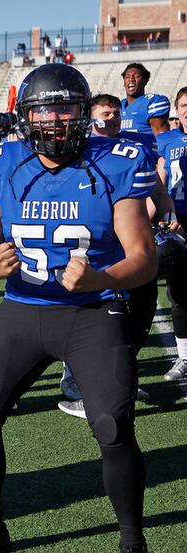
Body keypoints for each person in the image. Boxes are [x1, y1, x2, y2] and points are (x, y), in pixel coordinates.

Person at [0, 64, 156, 553]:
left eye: (65, 108)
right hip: (24, 306)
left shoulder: (118, 159)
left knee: (111, 424)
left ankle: (132, 540)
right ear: (26, 116)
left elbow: (144, 259)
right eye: (43, 110)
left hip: (92, 310)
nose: (55, 120)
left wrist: (101, 277)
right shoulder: (0, 162)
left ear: (83, 113)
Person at [57, 93, 178, 417]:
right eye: (104, 113)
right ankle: (78, 386)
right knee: (89, 317)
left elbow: (152, 184)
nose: (109, 118)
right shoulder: (78, 149)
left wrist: (165, 207)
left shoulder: (134, 147)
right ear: (91, 117)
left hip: (130, 246)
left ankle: (119, 378)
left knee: (139, 312)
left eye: (114, 113)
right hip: (94, 247)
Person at [154, 86, 187, 382]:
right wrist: (163, 214)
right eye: (184, 104)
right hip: (178, 220)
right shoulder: (165, 140)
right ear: (176, 110)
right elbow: (159, 179)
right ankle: (184, 356)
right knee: (179, 292)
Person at [120, 63, 170, 150]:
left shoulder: (152, 102)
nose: (131, 79)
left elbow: (163, 139)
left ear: (145, 81)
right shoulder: (118, 106)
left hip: (148, 159)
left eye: (137, 76)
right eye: (127, 77)